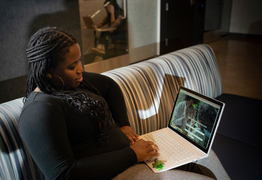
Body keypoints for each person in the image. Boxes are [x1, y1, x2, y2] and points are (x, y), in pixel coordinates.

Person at [19, 27, 230, 180]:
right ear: (48, 71)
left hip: (130, 159)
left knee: (205, 156)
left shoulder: (69, 83)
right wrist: (133, 154)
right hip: (113, 173)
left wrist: (124, 125)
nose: (81, 69)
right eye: (72, 65)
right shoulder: (40, 110)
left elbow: (110, 86)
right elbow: (63, 174)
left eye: (80, 61)